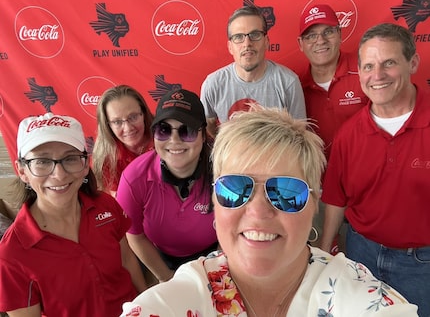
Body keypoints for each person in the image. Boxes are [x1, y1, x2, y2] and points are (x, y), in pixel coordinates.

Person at [120, 105, 418, 317]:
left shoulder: (354, 295)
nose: (259, 211)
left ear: (314, 203)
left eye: (285, 192)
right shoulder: (186, 291)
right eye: (235, 188)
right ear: (214, 201)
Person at [320, 23, 430, 316]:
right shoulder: (349, 133)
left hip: (422, 266)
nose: (377, 75)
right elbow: (335, 199)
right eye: (368, 66)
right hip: (360, 255)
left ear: (413, 63)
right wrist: (321, 253)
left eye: (389, 63)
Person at [0, 112, 147, 317]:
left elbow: (126, 259)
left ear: (85, 164)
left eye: (70, 158)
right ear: (22, 171)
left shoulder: (105, 206)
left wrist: (148, 301)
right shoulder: (12, 254)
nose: (59, 175)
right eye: (42, 161)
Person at [116, 88, 218, 284]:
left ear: (203, 136)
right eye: (163, 130)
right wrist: (167, 278)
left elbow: (235, 226)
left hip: (214, 254)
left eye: (186, 131)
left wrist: (215, 270)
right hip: (158, 256)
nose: (174, 140)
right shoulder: (134, 177)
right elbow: (134, 236)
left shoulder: (223, 171)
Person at [200, 5, 306, 138]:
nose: (247, 43)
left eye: (255, 34)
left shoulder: (288, 82)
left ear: (267, 41)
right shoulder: (213, 83)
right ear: (230, 47)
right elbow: (208, 122)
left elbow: (299, 133)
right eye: (238, 37)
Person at [297, 4, 368, 160]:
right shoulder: (295, 85)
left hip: (364, 173)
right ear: (300, 44)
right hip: (316, 177)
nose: (320, 40)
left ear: (339, 34)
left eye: (328, 32)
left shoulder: (366, 70)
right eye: (311, 36)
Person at [92, 85, 154, 196]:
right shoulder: (106, 157)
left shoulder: (167, 137)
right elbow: (121, 204)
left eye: (133, 117)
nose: (128, 128)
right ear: (107, 125)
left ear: (144, 113)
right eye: (117, 122)